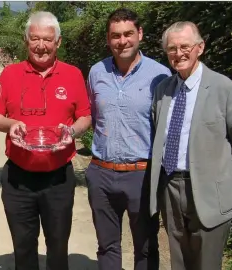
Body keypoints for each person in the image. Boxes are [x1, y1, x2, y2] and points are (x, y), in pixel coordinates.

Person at [149, 21, 232, 270]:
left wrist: (222, 178)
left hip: (210, 192)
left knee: (206, 264)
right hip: (170, 187)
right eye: (172, 49)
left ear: (200, 47)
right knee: (179, 261)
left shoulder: (226, 89)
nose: (179, 53)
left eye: (185, 46)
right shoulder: (163, 90)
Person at [0, 11, 92, 270]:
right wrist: (11, 124)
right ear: (26, 41)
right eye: (35, 38)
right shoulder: (10, 74)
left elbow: (85, 117)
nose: (41, 45)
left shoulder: (72, 75)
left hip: (58, 177)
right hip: (18, 178)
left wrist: (72, 132)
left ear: (58, 42)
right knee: (23, 247)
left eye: (47, 39)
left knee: (58, 246)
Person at [85, 8, 171, 270]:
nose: (122, 41)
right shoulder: (96, 72)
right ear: (108, 39)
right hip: (101, 171)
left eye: (128, 34)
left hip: (141, 175)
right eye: (116, 35)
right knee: (106, 246)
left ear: (140, 34)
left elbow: (166, 128)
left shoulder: (161, 76)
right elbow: (91, 114)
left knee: (146, 247)